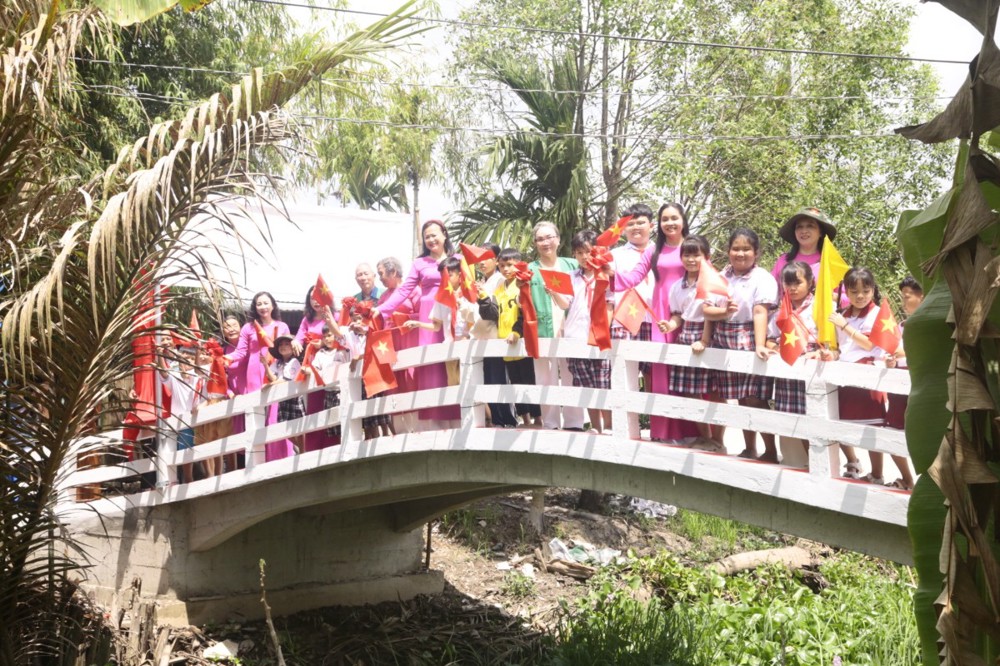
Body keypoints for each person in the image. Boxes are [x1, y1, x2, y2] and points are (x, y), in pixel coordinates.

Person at [609, 202, 699, 443]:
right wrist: (608, 272)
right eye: (665, 219)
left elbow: (708, 275)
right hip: (662, 312)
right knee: (662, 371)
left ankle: (695, 433)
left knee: (690, 371)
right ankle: (665, 432)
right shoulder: (654, 251)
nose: (670, 223)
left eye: (674, 218)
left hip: (689, 310)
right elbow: (632, 278)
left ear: (683, 220)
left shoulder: (693, 246)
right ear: (659, 224)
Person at [374, 220, 460, 428]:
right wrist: (382, 309)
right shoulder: (419, 263)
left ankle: (459, 418)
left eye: (434, 235)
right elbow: (404, 291)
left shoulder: (458, 259)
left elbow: (468, 285)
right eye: (427, 237)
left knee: (455, 363)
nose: (431, 240)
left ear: (444, 234)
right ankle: (435, 423)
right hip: (429, 316)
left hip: (453, 313)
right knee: (432, 366)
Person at [707, 228, 779, 462]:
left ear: (756, 252)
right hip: (724, 337)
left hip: (751, 335)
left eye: (746, 249)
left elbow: (760, 312)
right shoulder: (720, 277)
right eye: (735, 248)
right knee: (740, 397)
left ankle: (770, 450)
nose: (740, 253)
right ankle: (750, 448)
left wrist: (759, 344)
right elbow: (709, 308)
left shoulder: (763, 278)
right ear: (728, 251)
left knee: (756, 398)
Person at [819, 267, 885, 482]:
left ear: (873, 290)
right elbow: (842, 347)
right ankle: (853, 462)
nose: (860, 296)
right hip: (843, 374)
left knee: (872, 426)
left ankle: (877, 473)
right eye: (854, 291)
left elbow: (869, 344)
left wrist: (845, 325)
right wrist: (831, 354)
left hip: (867, 374)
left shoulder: (877, 313)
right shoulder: (842, 314)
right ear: (846, 292)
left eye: (865, 291)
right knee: (841, 422)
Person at [547, 230, 614, 434]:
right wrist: (554, 293)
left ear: (597, 251)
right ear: (574, 255)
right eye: (580, 253)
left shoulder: (606, 275)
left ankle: (609, 426)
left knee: (603, 383)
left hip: (599, 337)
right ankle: (595, 426)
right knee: (585, 385)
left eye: (589, 251)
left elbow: (610, 305)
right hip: (575, 336)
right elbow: (565, 304)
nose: (585, 257)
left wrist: (603, 330)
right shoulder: (571, 277)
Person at [661, 235, 724, 446]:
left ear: (706, 257)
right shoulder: (677, 287)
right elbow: (678, 315)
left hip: (710, 335)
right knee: (690, 392)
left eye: (696, 255)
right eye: (687, 255)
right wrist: (670, 325)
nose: (691, 259)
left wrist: (704, 341)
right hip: (686, 335)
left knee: (715, 391)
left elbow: (709, 314)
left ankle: (718, 440)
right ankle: (706, 437)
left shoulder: (714, 283)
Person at [224, 291, 294, 461]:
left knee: (275, 415)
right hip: (254, 373)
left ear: (273, 305)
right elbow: (241, 352)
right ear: (255, 307)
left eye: (266, 303)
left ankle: (280, 457)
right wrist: (225, 358)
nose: (263, 307)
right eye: (259, 304)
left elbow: (288, 348)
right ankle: (258, 460)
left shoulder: (282, 326)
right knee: (256, 415)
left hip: (274, 370)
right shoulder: (248, 327)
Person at [528, 222, 583, 431]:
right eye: (540, 239)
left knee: (572, 376)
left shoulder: (572, 265)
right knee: (545, 378)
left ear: (558, 240)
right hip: (542, 330)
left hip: (571, 329)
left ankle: (574, 422)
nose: (546, 243)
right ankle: (550, 423)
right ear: (535, 243)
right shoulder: (530, 270)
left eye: (549, 237)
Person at [765, 262, 822, 457]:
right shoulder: (781, 311)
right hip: (788, 370)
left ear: (810, 282)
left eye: (798, 283)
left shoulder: (820, 307)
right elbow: (770, 339)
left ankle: (820, 463)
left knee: (815, 418)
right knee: (793, 420)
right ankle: (804, 462)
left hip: (813, 369)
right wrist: (776, 349)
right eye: (788, 283)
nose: (792, 288)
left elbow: (831, 341)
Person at [478, 248, 537, 428]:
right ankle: (525, 420)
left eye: (510, 265)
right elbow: (492, 314)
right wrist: (483, 297)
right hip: (505, 343)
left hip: (521, 341)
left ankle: (538, 419)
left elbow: (525, 313)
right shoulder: (499, 288)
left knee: (529, 381)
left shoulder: (523, 284)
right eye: (502, 265)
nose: (506, 269)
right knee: (515, 382)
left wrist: (517, 332)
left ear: (519, 264)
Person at [883, 276, 922, 490]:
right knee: (891, 431)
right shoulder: (899, 326)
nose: (903, 301)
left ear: (922, 296)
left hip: (919, 385)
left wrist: (901, 353)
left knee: (920, 433)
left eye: (907, 296)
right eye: (902, 296)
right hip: (897, 385)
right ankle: (907, 478)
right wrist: (891, 361)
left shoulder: (930, 326)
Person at [610, 204, 656, 386]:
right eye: (630, 224)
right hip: (625, 321)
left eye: (641, 223)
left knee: (656, 376)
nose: (636, 227)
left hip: (656, 321)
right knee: (625, 378)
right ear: (623, 229)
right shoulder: (614, 256)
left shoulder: (663, 253)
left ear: (651, 226)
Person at [376, 256, 420, 433]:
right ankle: (400, 433)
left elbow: (424, 315)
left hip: (411, 344)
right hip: (390, 348)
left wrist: (404, 318)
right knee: (394, 388)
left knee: (412, 383)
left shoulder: (414, 290)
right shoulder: (383, 297)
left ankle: (418, 430)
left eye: (381, 274)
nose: (380, 278)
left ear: (393, 272)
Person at [294, 286, 339, 451]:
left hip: (331, 363)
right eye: (312, 298)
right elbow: (299, 337)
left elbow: (342, 335)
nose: (315, 301)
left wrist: (324, 343)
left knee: (331, 405)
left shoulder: (335, 315)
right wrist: (296, 342)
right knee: (314, 407)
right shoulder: (307, 319)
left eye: (318, 297)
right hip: (312, 366)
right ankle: (313, 449)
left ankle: (332, 447)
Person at [156, 342, 201, 483]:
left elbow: (198, 370)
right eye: (184, 359)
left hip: (198, 419)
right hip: (181, 421)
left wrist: (198, 352)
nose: (187, 362)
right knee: (185, 452)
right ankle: (188, 479)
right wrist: (159, 354)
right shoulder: (174, 376)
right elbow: (163, 373)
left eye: (190, 359)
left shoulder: (197, 376)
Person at [262, 333, 303, 455]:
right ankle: (301, 450)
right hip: (283, 399)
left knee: (298, 429)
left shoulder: (294, 361)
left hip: (294, 398)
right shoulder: (277, 363)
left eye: (287, 344)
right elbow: (273, 378)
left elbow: (286, 380)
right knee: (285, 429)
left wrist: (269, 385)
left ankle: (303, 452)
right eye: (280, 344)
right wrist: (265, 365)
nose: (283, 346)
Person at [310, 324, 351, 443]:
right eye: (324, 337)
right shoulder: (320, 353)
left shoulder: (343, 350)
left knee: (347, 420)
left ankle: (349, 444)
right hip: (329, 392)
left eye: (329, 335)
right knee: (334, 425)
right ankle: (340, 446)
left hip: (343, 390)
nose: (327, 339)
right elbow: (315, 369)